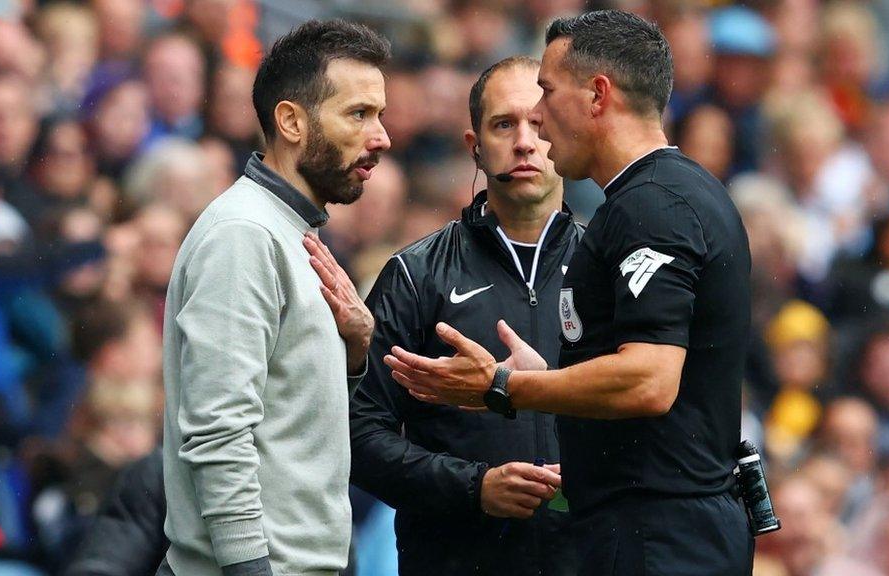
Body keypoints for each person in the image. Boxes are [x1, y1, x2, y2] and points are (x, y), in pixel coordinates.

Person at [386, 10, 754, 575]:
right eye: (507, 121)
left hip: (659, 536)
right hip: (650, 528)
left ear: (597, 96)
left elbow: (651, 380)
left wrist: (506, 386)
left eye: (548, 93)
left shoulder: (651, 206)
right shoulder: (657, 197)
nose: (538, 115)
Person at [159, 20, 389, 576]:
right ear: (290, 121)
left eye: (379, 115)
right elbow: (219, 429)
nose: (381, 137)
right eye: (359, 114)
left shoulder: (290, 230)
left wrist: (353, 355)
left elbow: (292, 415)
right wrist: (248, 568)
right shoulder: (244, 234)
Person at [350, 56, 581, 575]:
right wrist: (475, 487)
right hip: (453, 559)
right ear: (474, 146)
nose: (524, 141)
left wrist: (590, 476)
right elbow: (358, 433)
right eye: (504, 124)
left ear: (566, 135)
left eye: (539, 124)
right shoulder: (415, 275)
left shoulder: (606, 274)